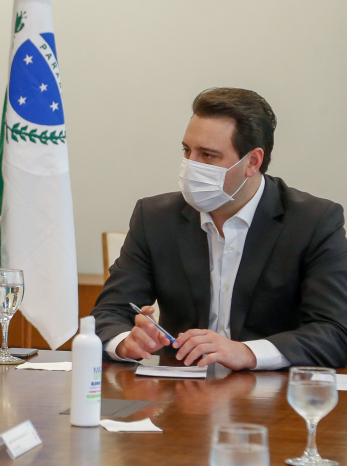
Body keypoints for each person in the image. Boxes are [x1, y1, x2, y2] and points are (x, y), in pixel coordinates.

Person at [92, 87, 347, 371]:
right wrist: (127, 341)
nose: (191, 166)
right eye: (187, 151)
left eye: (208, 155)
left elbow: (335, 333)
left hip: (272, 399)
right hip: (181, 396)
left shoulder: (313, 222)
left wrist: (246, 353)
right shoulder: (154, 217)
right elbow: (109, 313)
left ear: (252, 161)